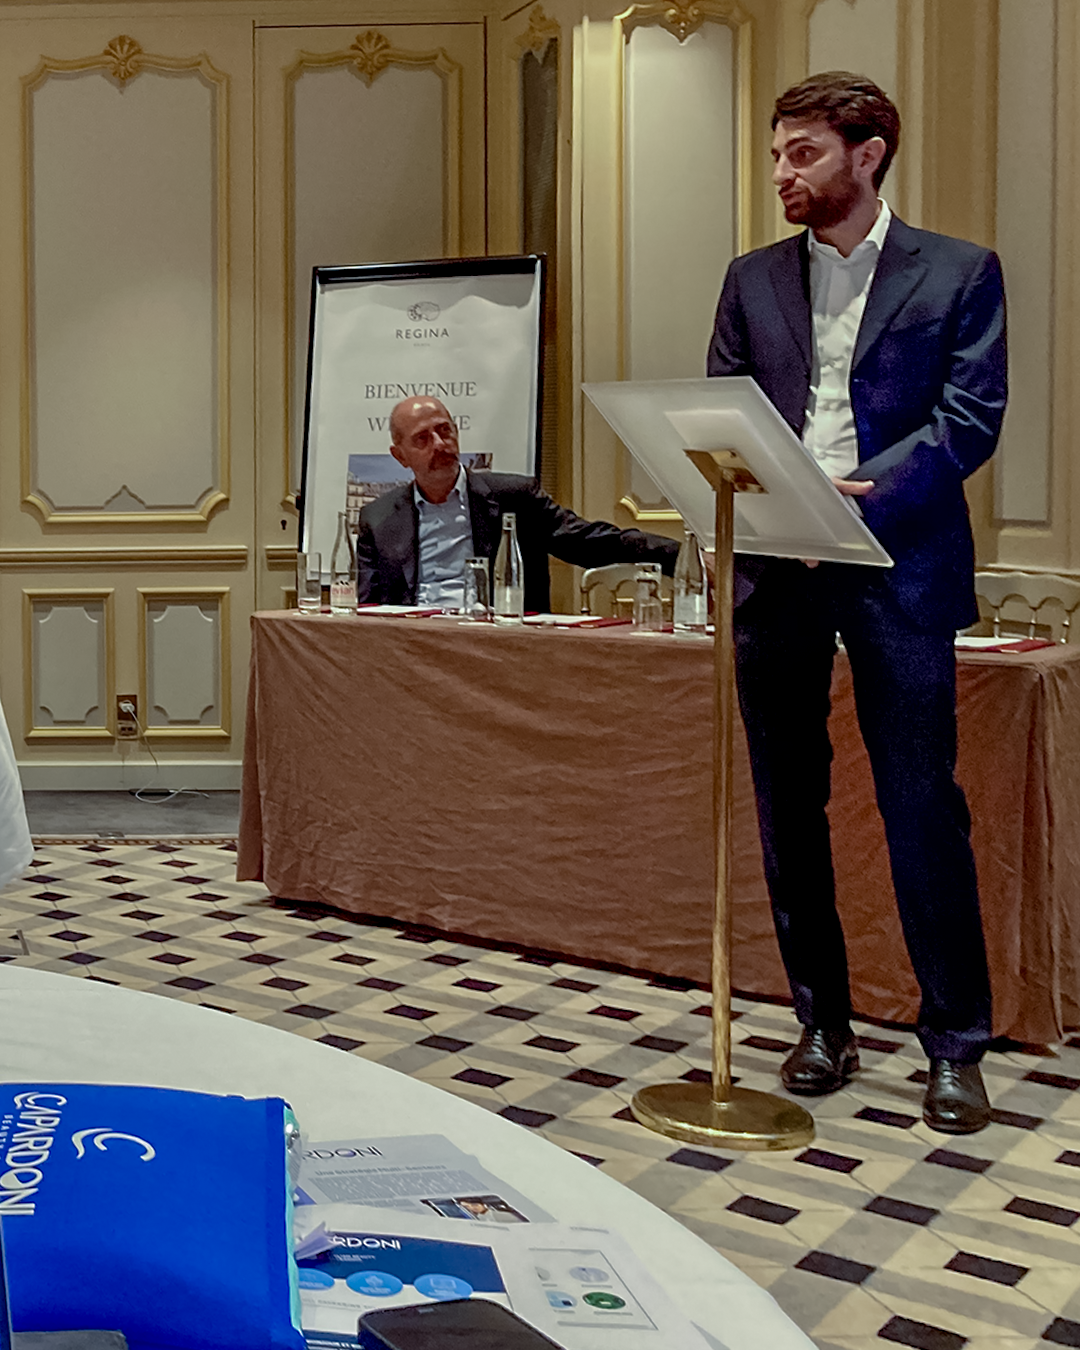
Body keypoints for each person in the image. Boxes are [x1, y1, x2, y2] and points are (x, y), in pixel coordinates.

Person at [707, 72, 1006, 1134]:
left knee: (921, 806)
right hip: (777, 568)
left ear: (867, 153)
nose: (781, 174)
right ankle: (821, 1024)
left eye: (803, 153)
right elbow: (725, 409)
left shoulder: (960, 271)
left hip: (899, 564)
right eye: (777, 155)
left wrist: (861, 490)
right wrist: (763, 492)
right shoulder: (750, 279)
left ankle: (956, 1045)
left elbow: (970, 418)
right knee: (788, 806)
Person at [355, 396, 679, 611]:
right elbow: (368, 608)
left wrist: (680, 556)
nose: (440, 444)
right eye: (423, 439)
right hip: (413, 649)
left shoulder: (513, 497)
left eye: (445, 431)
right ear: (400, 456)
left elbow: (587, 541)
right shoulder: (378, 519)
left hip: (497, 646)